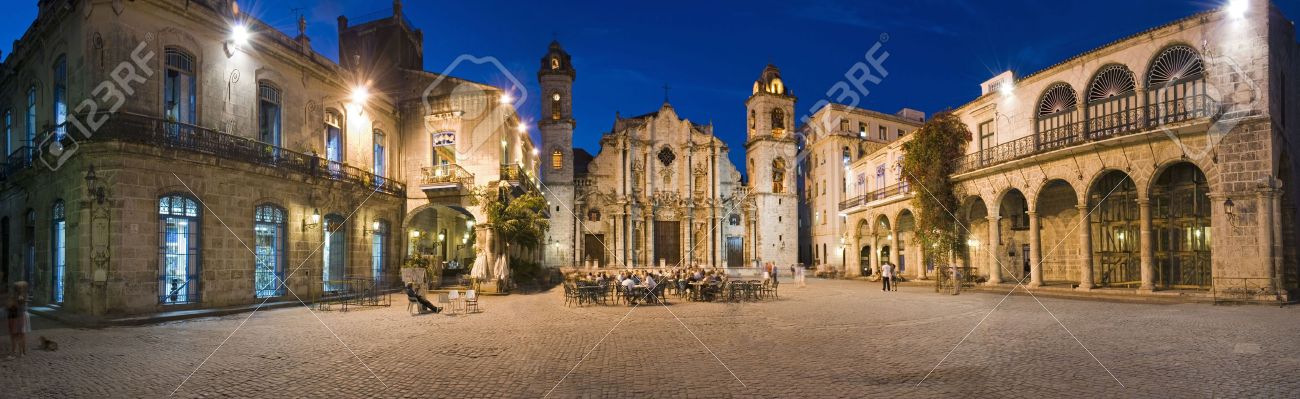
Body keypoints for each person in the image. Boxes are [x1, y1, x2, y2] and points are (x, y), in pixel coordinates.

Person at [8, 281, 29, 359]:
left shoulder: (21, 296)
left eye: (19, 287)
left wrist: (13, 302)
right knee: (18, 335)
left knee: (19, 335)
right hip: (15, 316)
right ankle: (20, 352)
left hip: (19, 316)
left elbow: (16, 306)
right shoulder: (18, 295)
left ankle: (18, 352)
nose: (17, 289)